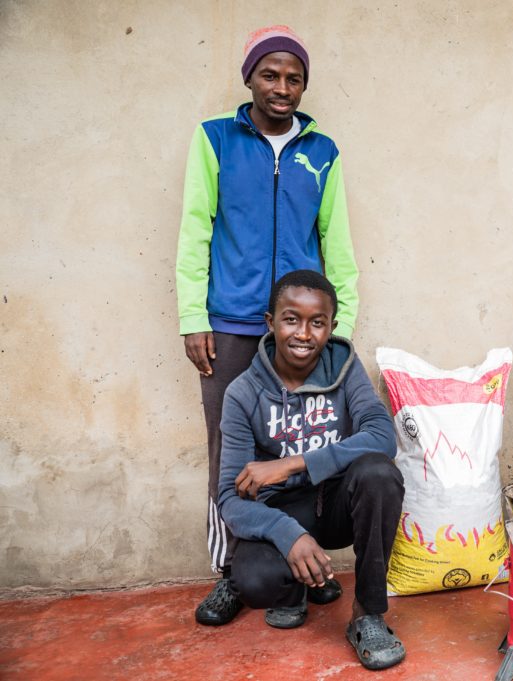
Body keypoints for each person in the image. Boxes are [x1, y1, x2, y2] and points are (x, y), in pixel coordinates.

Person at [175, 25, 359, 626]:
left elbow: (338, 244)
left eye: (294, 78)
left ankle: (304, 564)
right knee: (227, 449)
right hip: (231, 321)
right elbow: (195, 229)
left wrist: (340, 326)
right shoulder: (216, 140)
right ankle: (232, 573)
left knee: (304, 443)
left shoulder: (322, 152)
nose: (282, 88)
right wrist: (192, 315)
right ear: (249, 77)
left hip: (304, 326)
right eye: (270, 75)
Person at [218, 269, 405, 670]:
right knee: (254, 582)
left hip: (337, 505)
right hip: (285, 512)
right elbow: (230, 499)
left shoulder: (344, 368)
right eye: (291, 319)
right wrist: (288, 535)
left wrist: (292, 463)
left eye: (317, 322)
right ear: (271, 323)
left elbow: (382, 436)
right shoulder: (242, 393)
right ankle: (299, 588)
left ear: (331, 327)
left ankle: (367, 613)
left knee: (379, 473)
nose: (304, 334)